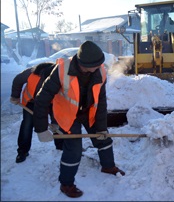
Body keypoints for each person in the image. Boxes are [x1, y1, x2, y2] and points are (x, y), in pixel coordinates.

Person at [33, 41, 125, 198]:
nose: (99, 68)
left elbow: (101, 101)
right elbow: (42, 98)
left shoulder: (100, 71)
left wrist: (101, 127)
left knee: (103, 138)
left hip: (88, 111)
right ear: (83, 64)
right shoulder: (62, 70)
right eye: (95, 65)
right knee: (74, 149)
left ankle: (108, 166)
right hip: (66, 113)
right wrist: (41, 128)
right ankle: (66, 184)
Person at [10, 62, 63, 163]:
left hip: (52, 102)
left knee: (58, 122)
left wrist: (55, 121)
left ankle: (61, 145)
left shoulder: (60, 77)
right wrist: (15, 96)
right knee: (27, 124)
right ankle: (22, 151)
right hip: (32, 102)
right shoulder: (30, 73)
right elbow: (17, 80)